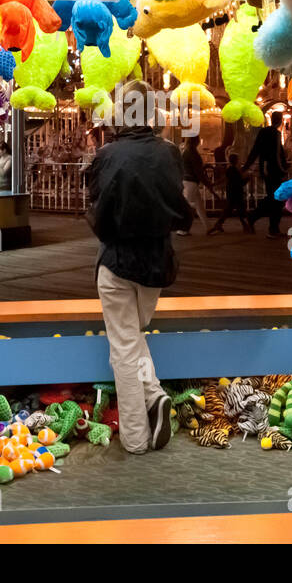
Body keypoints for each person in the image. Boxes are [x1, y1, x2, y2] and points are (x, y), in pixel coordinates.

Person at [84, 81, 193, 455]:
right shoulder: (170, 153)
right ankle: (156, 396)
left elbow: (97, 213)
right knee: (133, 338)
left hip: (115, 263)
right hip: (155, 266)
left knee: (124, 349)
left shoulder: (107, 155)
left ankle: (134, 438)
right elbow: (179, 209)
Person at [244, 111, 289, 238]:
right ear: (280, 121)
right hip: (274, 171)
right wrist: (284, 169)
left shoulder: (263, 132)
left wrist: (246, 166)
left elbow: (255, 150)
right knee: (276, 199)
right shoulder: (275, 134)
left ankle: (261, 221)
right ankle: (267, 225)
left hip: (266, 170)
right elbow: (277, 155)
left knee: (273, 198)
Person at [208, 151, 255, 235]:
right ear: (236, 161)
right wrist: (247, 178)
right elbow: (240, 182)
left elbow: (224, 179)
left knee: (230, 210)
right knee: (240, 210)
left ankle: (219, 224)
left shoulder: (230, 170)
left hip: (231, 192)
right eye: (239, 159)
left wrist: (214, 184)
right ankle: (246, 226)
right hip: (236, 193)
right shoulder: (235, 171)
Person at [178, 136, 210, 235]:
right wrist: (207, 183)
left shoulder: (187, 151)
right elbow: (198, 171)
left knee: (199, 206)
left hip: (188, 181)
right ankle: (182, 229)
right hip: (190, 182)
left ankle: (208, 227)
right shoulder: (192, 153)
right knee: (189, 205)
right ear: (195, 141)